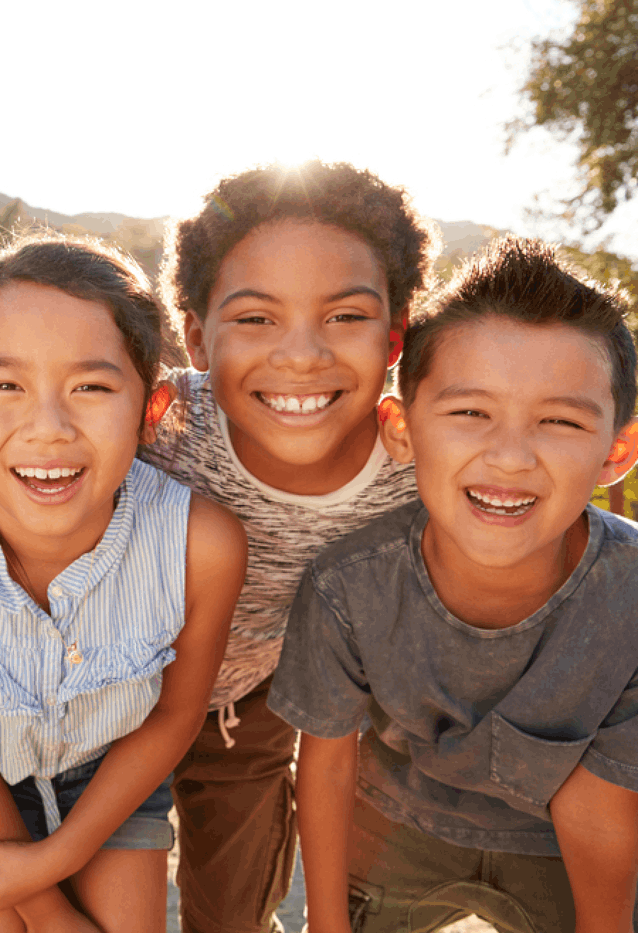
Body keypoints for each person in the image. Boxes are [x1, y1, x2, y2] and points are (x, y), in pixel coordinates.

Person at [0, 236, 247, 932]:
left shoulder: (202, 543)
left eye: (92, 387)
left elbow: (172, 717)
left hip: (116, 777)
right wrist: (45, 909)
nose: (48, 428)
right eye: (5, 385)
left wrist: (57, 857)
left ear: (151, 409)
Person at [271, 237, 638, 933]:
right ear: (402, 428)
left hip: (555, 843)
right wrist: (325, 924)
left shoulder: (630, 602)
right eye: (470, 412)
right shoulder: (350, 585)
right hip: (395, 823)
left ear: (615, 451)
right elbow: (323, 763)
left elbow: (604, 806)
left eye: (559, 421)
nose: (509, 455)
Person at [146, 160, 434, 933]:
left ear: (394, 339)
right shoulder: (157, 424)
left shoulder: (419, 466)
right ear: (199, 339)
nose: (301, 354)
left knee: (230, 911)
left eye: (344, 316)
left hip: (244, 705)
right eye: (256, 319)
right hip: (102, 697)